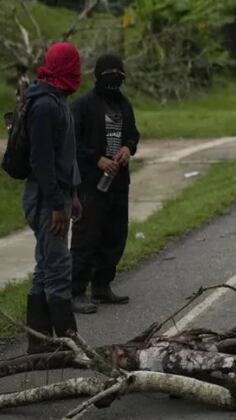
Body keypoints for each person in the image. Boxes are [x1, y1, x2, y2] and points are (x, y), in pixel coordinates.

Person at [23, 43, 83, 351]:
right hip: (46, 198)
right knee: (58, 269)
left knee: (47, 267)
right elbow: (42, 162)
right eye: (74, 64)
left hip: (59, 195)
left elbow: (65, 156)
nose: (78, 70)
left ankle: (41, 344)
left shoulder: (59, 100)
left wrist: (73, 194)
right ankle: (69, 344)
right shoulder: (45, 106)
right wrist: (58, 204)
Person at [70, 54, 140, 312]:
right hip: (91, 183)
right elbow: (72, 142)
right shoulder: (82, 106)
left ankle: (102, 285)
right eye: (109, 74)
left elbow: (133, 135)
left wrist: (128, 148)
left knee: (115, 234)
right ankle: (76, 290)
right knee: (87, 237)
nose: (114, 79)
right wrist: (96, 159)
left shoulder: (124, 105)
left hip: (118, 182)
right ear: (98, 77)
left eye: (118, 74)